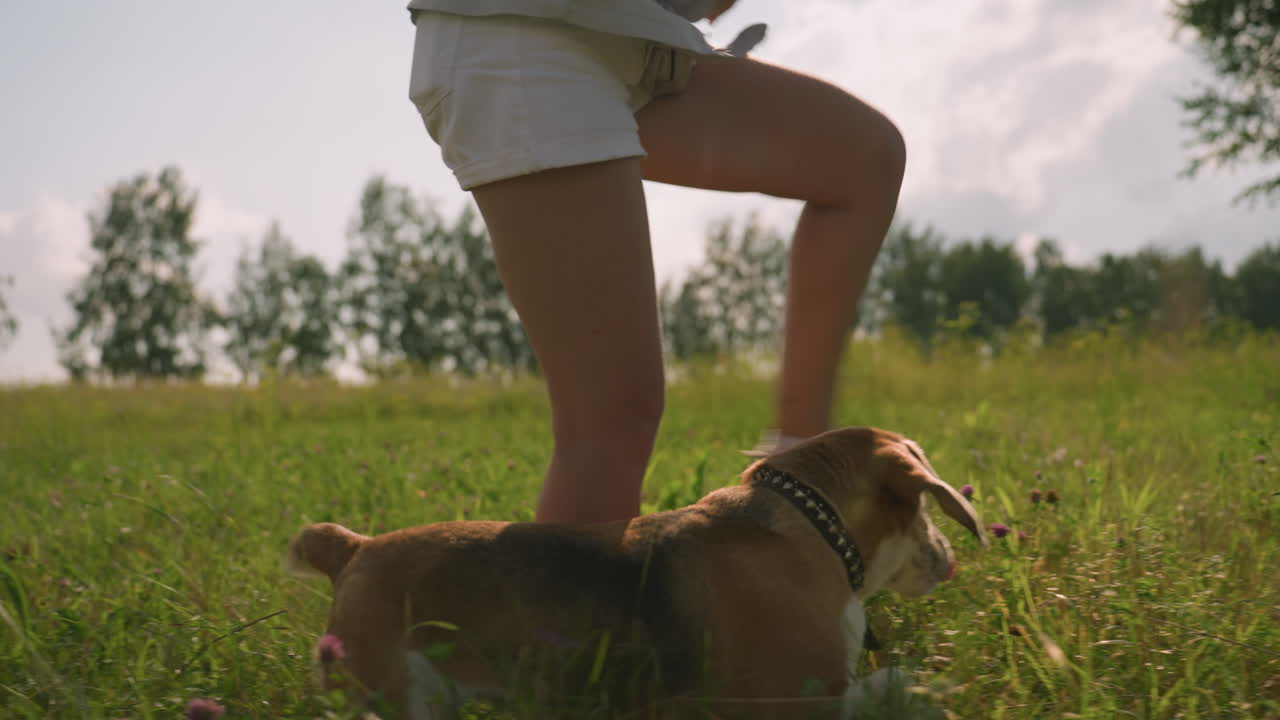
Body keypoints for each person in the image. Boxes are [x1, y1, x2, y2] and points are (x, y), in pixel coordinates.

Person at [406, 0, 906, 525]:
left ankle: (800, 473)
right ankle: (571, 606)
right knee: (612, 420)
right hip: (520, 40)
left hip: (633, 42)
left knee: (862, 156)